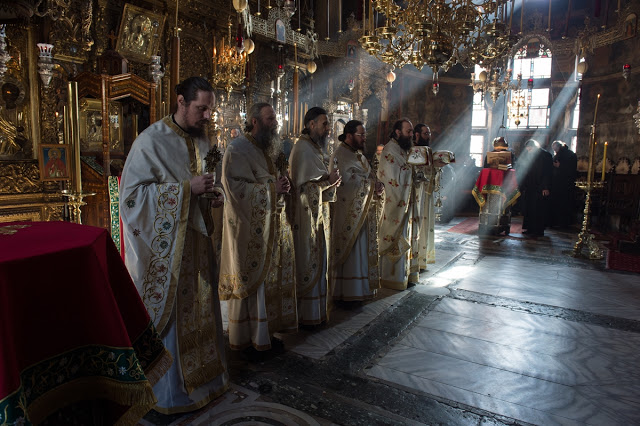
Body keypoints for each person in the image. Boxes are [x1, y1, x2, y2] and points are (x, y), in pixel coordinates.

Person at [119, 77, 228, 413]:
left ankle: (206, 383)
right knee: (172, 321)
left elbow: (201, 188)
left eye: (210, 109)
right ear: (181, 101)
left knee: (200, 314)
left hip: (196, 248)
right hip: (166, 257)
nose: (207, 116)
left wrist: (211, 196)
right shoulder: (151, 141)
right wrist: (184, 191)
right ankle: (170, 395)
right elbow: (132, 199)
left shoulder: (203, 142)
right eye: (201, 108)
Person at [218, 102, 298, 354]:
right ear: (255, 121)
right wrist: (270, 190)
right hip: (248, 229)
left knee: (269, 284)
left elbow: (276, 179)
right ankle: (245, 340)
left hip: (271, 226)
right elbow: (234, 189)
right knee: (253, 283)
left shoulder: (270, 148)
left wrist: (285, 184)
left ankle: (265, 334)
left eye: (275, 118)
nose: (275, 123)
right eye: (270, 119)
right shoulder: (237, 149)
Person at [290, 107, 341, 325]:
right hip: (305, 217)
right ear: (311, 125)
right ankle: (307, 316)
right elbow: (303, 188)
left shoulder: (313, 147)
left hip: (318, 216)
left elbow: (317, 183)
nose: (328, 129)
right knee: (308, 262)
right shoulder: (302, 148)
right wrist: (327, 183)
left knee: (320, 260)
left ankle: (318, 313)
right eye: (324, 124)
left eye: (328, 124)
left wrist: (329, 183)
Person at [329, 120, 383, 302]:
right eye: (361, 134)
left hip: (362, 210)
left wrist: (377, 183)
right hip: (348, 212)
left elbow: (368, 174)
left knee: (360, 250)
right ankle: (349, 292)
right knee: (351, 252)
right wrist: (369, 184)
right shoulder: (340, 154)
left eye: (364, 134)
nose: (364, 138)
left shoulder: (357, 155)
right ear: (349, 135)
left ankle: (360, 289)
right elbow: (345, 181)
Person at [377, 118, 419, 290]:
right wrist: (411, 170)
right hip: (395, 203)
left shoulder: (402, 150)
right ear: (397, 132)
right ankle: (391, 278)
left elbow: (407, 169)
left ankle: (404, 275)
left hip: (405, 202)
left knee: (405, 236)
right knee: (394, 237)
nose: (411, 134)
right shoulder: (389, 150)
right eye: (408, 131)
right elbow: (391, 178)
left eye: (411, 131)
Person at [519, 139, 553, 237]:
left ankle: (538, 230)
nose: (529, 151)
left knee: (539, 209)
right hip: (530, 186)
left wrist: (545, 187)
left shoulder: (546, 156)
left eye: (530, 149)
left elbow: (547, 173)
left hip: (540, 187)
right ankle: (529, 228)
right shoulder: (530, 155)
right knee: (529, 208)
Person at [414, 123, 436, 270]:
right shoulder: (413, 151)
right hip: (418, 193)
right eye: (425, 133)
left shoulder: (428, 150)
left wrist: (437, 166)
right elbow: (415, 171)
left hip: (427, 193)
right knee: (419, 224)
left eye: (429, 133)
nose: (428, 136)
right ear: (417, 135)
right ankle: (417, 258)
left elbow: (431, 171)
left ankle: (424, 257)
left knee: (427, 225)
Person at [550, 140, 578, 228]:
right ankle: (557, 222)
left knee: (564, 204)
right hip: (557, 184)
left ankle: (563, 223)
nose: (555, 151)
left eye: (555, 149)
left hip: (566, 184)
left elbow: (572, 170)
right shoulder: (560, 154)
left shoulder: (570, 155)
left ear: (559, 147)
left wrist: (560, 166)